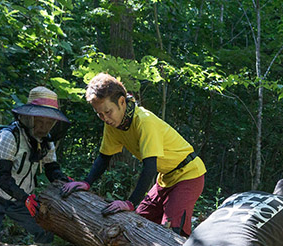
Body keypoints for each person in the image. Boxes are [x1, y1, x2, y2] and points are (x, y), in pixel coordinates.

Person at [62, 73, 206, 236]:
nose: (105, 118)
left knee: (172, 232)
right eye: (99, 114)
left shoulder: (144, 121)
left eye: (108, 112)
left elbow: (150, 167)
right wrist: (86, 182)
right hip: (166, 178)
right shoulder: (112, 125)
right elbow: (104, 157)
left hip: (189, 174)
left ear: (121, 102)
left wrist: (130, 203)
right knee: (137, 224)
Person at [0, 86, 73, 246]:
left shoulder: (46, 142)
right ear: (29, 117)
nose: (43, 127)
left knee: (45, 230)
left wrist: (65, 182)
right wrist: (25, 198)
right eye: (40, 121)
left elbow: (51, 168)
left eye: (49, 122)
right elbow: (2, 176)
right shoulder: (9, 136)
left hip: (19, 197)